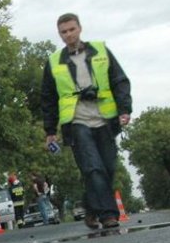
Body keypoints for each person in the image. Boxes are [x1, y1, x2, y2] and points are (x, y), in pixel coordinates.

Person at [41, 13, 132, 229]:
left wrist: (124, 109)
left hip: (104, 119)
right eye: (64, 32)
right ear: (59, 35)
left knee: (108, 168)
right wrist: (50, 131)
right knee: (93, 168)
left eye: (72, 29)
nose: (68, 34)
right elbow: (48, 98)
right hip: (77, 122)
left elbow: (119, 80)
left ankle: (92, 208)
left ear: (80, 28)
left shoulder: (100, 51)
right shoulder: (54, 62)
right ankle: (108, 215)